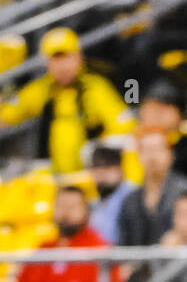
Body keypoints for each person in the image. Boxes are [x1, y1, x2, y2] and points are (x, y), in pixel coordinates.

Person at [0, 27, 132, 173]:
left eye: (66, 57)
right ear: (47, 63)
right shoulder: (41, 89)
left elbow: (124, 125)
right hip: (55, 176)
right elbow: (7, 116)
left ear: (79, 57)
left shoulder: (95, 87)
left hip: (88, 175)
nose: (62, 66)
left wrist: (98, 147)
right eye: (56, 58)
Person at [117, 129, 187, 248]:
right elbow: (123, 245)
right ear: (138, 155)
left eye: (158, 149)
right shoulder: (130, 201)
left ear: (171, 154)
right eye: (147, 150)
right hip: (139, 263)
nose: (152, 156)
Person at [88, 142, 137, 245]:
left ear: (120, 169)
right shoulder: (95, 202)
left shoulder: (133, 196)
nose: (102, 173)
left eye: (107, 167)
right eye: (96, 167)